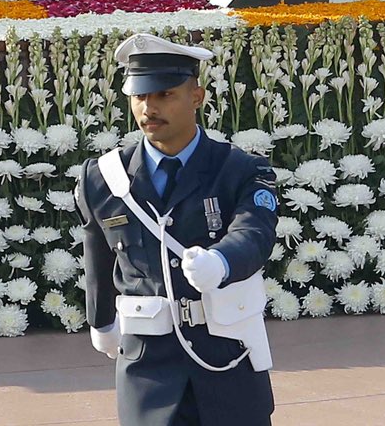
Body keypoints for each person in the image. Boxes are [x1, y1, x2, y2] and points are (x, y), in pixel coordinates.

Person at [78, 34, 279, 424]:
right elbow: (97, 253)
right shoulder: (103, 177)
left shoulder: (239, 169)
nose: (148, 108)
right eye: (139, 97)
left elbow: (255, 232)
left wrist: (220, 262)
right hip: (147, 365)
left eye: (165, 94)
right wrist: (100, 320)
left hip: (227, 353)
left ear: (197, 96)